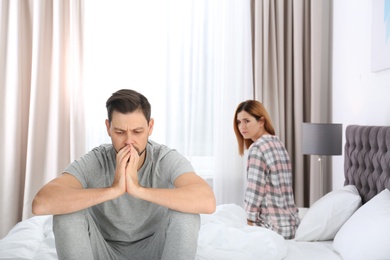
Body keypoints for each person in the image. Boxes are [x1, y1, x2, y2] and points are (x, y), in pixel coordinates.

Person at [32, 89, 216, 260]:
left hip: (154, 250)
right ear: (108, 128)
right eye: (120, 132)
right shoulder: (96, 160)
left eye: (137, 132)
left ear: (150, 127)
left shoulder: (165, 158)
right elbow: (41, 204)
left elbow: (207, 201)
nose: (129, 142)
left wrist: (137, 189)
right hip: (103, 251)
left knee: (187, 215)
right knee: (66, 214)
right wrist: (114, 189)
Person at [233, 100, 300, 239]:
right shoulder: (278, 143)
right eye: (239, 122)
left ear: (261, 121)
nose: (242, 127)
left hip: (271, 227)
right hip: (290, 224)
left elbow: (254, 191)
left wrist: (248, 223)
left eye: (247, 121)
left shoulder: (257, 148)